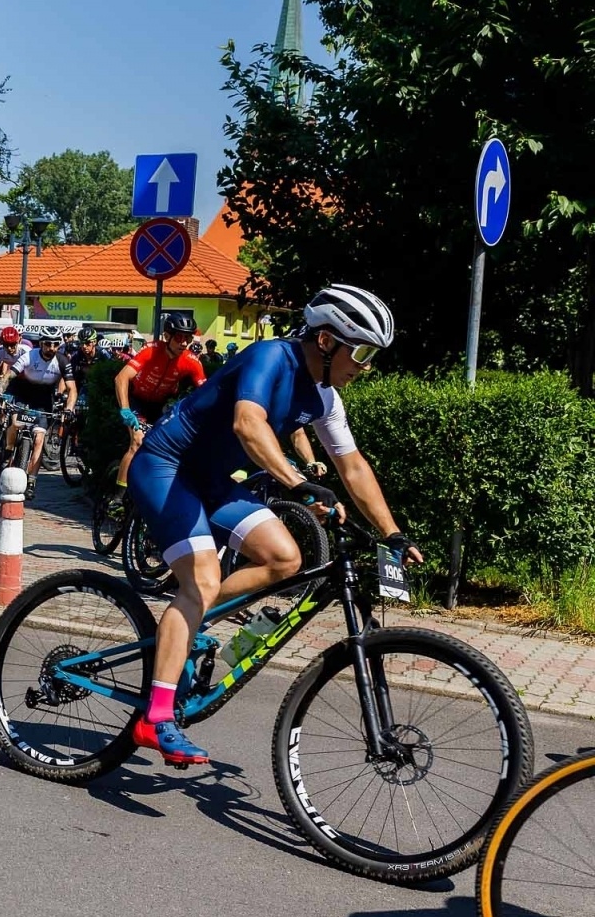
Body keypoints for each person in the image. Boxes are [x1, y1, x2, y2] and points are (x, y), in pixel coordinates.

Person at [126, 284, 422, 765]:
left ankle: (186, 618)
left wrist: (392, 532)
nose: (366, 366)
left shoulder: (325, 397)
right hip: (165, 466)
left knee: (286, 559)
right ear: (326, 341)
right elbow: (248, 424)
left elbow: (352, 466)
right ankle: (155, 718)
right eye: (363, 351)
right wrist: (299, 483)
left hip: (210, 479)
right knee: (200, 580)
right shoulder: (271, 357)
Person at [109, 311, 208, 506]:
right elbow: (121, 378)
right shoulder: (151, 350)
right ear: (167, 336)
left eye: (188, 338)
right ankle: (117, 498)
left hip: (160, 405)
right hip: (136, 401)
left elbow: (206, 391)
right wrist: (126, 410)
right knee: (137, 442)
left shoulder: (191, 361)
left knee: (171, 448)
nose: (184, 343)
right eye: (180, 337)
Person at [0, 323, 76, 498]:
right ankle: (9, 448)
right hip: (24, 392)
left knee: (39, 440)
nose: (52, 348)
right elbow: (9, 375)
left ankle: (32, 479)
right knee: (15, 422)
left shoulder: (63, 361)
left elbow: (72, 389)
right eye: (48, 344)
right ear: (41, 344)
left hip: (43, 398)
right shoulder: (29, 356)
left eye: (56, 344)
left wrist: (69, 408)